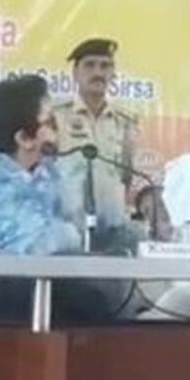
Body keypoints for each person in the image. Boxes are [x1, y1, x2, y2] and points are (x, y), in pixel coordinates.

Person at [0, 74, 126, 321]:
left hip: (58, 287)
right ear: (24, 139)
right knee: (92, 293)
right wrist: (72, 231)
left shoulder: (49, 172)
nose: (59, 130)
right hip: (4, 299)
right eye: (50, 122)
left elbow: (82, 226)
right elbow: (33, 250)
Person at [53, 38, 139, 237]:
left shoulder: (124, 121)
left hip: (112, 229)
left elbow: (126, 177)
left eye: (105, 66)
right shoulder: (56, 115)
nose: (98, 73)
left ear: (113, 74)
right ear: (75, 73)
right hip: (68, 230)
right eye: (90, 65)